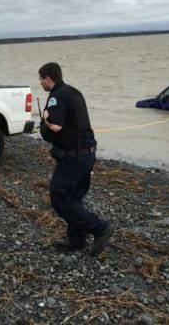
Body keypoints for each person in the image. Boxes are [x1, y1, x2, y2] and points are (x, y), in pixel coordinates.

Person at [38, 62, 113, 257]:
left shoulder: (56, 96)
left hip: (74, 157)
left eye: (40, 79)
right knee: (74, 198)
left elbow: (55, 127)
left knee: (60, 198)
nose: (40, 83)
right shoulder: (74, 92)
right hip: (88, 153)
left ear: (48, 78)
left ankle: (100, 228)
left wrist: (44, 118)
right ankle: (76, 239)